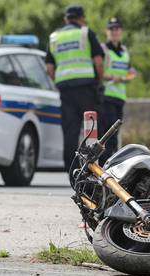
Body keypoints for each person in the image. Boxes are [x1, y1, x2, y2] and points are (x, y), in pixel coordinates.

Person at [46, 5, 105, 171]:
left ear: (66, 19)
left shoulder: (54, 37)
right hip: (86, 87)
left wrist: (60, 80)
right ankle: (92, 168)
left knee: (70, 131)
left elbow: (49, 69)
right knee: (91, 130)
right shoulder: (86, 33)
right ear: (81, 18)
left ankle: (71, 170)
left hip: (65, 89)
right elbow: (99, 62)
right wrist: (98, 80)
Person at [99, 17, 136, 165]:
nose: (114, 32)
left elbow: (129, 70)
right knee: (109, 136)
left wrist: (131, 75)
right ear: (107, 32)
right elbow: (99, 73)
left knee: (115, 136)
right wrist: (114, 77)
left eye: (117, 29)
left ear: (121, 31)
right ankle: (103, 166)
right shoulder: (104, 50)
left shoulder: (124, 50)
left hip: (119, 98)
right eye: (111, 29)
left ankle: (109, 167)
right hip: (106, 97)